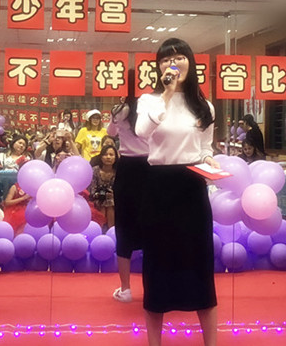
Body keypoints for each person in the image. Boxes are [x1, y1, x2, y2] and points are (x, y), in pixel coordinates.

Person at [136, 37, 218, 346]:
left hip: (192, 188)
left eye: (179, 57)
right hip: (159, 187)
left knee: (199, 265)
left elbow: (205, 147)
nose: (173, 63)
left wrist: (209, 160)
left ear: (190, 62)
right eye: (166, 59)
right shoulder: (149, 101)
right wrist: (167, 95)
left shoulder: (205, 106)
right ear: (159, 67)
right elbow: (142, 132)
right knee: (157, 267)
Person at [108, 69, 150, 304]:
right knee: (152, 226)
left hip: (127, 169)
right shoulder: (151, 109)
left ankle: (126, 289)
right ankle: (154, 287)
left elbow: (110, 132)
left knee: (124, 226)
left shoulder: (120, 110)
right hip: (150, 168)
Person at [88, 144, 118, 231]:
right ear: (101, 157)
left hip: (114, 200)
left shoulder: (118, 172)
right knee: (105, 203)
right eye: (105, 154)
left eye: (111, 155)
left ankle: (110, 230)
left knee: (109, 202)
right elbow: (92, 190)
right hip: (96, 199)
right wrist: (100, 194)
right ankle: (101, 230)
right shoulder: (94, 170)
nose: (108, 157)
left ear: (115, 157)